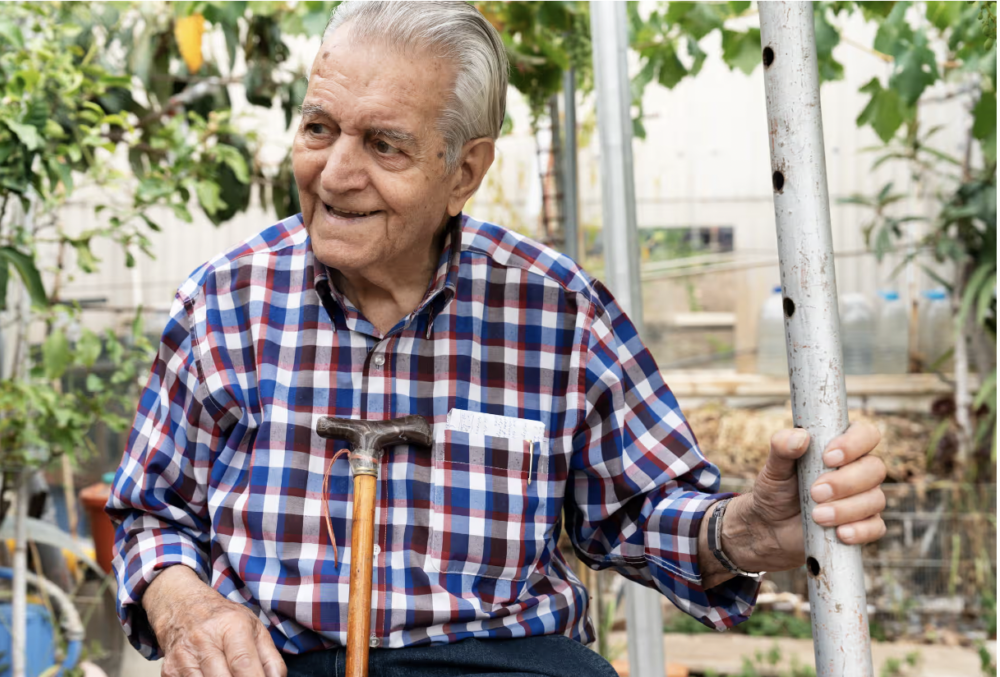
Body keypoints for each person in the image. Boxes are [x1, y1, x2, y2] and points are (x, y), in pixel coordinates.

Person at [107, 3, 888, 677]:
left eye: (384, 144)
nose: (336, 172)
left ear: (464, 171)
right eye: (319, 128)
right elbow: (150, 513)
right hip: (283, 662)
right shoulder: (225, 302)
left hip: (502, 659)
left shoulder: (556, 311)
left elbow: (639, 512)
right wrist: (189, 610)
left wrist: (747, 528)